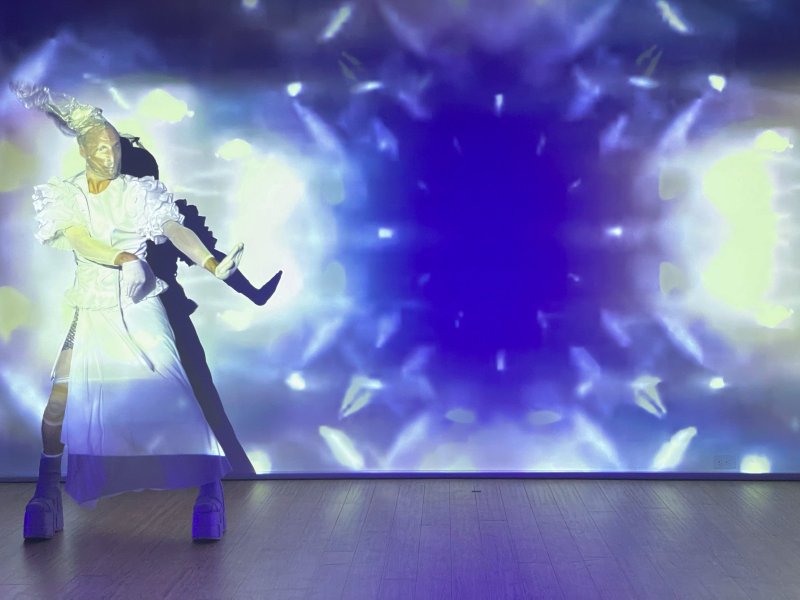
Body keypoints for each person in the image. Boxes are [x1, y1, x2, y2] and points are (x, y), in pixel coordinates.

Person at [13, 83, 244, 541]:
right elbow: (79, 238)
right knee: (60, 399)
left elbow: (173, 228)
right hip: (92, 302)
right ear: (82, 151)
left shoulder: (140, 192)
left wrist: (215, 265)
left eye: (115, 145)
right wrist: (123, 258)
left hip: (140, 302)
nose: (110, 154)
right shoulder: (68, 195)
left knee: (176, 388)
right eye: (100, 147)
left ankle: (209, 490)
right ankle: (45, 492)